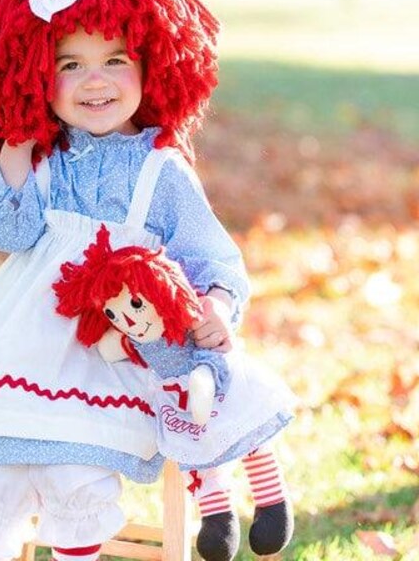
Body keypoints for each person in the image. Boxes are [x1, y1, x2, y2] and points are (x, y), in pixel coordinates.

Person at [0, 0, 253, 561]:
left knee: (74, 478)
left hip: (108, 356)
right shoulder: (44, 158)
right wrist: (15, 153)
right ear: (36, 76)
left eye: (115, 60)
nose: (95, 80)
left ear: (150, 67)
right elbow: (6, 231)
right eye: (70, 64)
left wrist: (216, 304)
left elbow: (214, 258)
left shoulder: (160, 171)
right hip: (23, 343)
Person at [54, 224, 295, 558]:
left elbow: (206, 355)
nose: (130, 320)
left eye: (135, 305)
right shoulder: (140, 338)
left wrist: (202, 381)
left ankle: (273, 505)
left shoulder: (186, 322)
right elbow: (119, 347)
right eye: (114, 314)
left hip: (215, 385)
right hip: (178, 402)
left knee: (251, 442)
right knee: (199, 461)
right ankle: (217, 519)